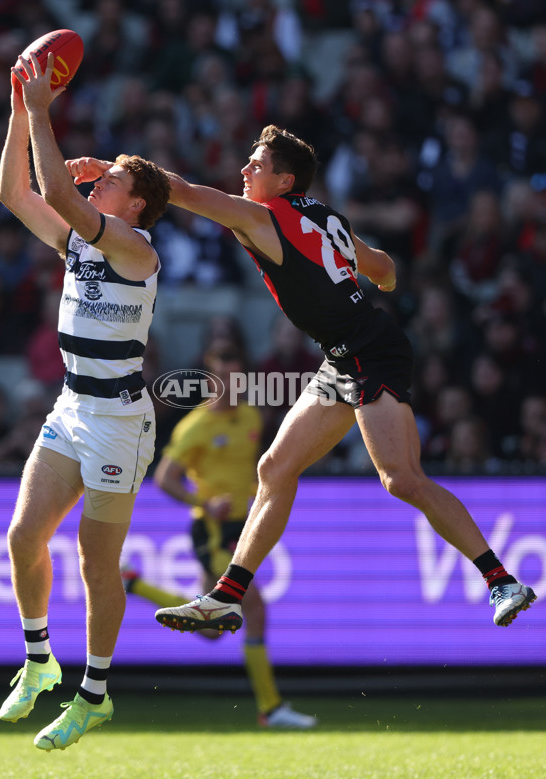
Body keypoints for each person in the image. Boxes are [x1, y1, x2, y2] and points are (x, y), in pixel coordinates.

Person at [68, 125, 536, 642]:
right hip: (347, 355)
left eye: (257, 165)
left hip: (368, 354)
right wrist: (361, 280)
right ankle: (226, 597)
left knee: (401, 478)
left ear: (285, 180)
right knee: (275, 467)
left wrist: (113, 170)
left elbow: (179, 190)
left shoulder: (262, 216)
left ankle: (501, 580)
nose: (245, 170)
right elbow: (386, 270)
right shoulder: (322, 216)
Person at [0, 52, 170, 751]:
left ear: (135, 205)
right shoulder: (79, 242)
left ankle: (93, 696)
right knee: (21, 536)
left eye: (114, 178)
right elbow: (14, 192)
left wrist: (44, 110)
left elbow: (63, 195)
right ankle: (40, 660)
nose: (99, 178)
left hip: (119, 422)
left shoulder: (137, 250)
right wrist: (17, 110)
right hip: (72, 406)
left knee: (98, 563)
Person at [122, 339, 317, 728]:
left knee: (211, 630)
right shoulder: (196, 425)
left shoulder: (251, 418)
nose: (229, 383)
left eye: (235, 376)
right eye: (222, 376)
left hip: (242, 526)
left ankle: (133, 585)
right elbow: (165, 478)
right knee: (254, 607)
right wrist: (206, 503)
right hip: (213, 529)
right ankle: (271, 709)